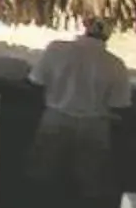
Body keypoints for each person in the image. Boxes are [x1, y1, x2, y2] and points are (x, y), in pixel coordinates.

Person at [32, 20, 128, 194]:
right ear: (108, 35)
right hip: (94, 126)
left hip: (55, 118)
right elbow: (118, 104)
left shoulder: (56, 49)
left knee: (43, 175)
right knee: (88, 183)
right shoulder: (116, 65)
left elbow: (36, 81)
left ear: (85, 28)